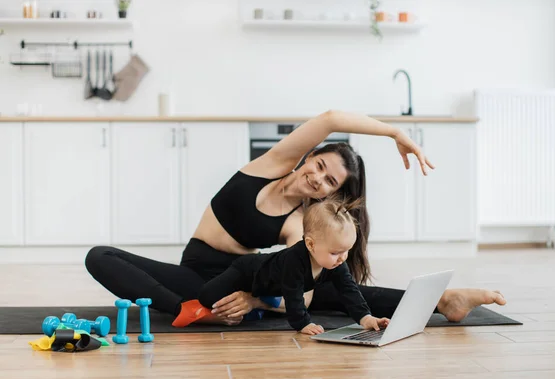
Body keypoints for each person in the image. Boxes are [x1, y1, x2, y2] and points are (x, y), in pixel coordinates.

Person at [85, 110, 506, 326]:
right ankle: (201, 310)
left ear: (332, 193)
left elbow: (301, 295)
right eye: (319, 166)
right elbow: (331, 119)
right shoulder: (271, 163)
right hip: (198, 273)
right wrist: (395, 133)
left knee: (334, 292)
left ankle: (444, 300)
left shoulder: (299, 223)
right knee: (100, 256)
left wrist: (252, 301)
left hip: (242, 277)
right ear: (309, 157)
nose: (317, 179)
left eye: (328, 182)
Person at [171, 196, 390, 335]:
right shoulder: (295, 260)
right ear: (311, 244)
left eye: (347, 250)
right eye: (336, 252)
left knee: (267, 298)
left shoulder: (336, 263)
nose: (343, 257)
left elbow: (348, 290)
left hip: (269, 286)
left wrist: (365, 317)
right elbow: (293, 294)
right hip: (247, 271)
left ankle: (255, 303)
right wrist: (303, 323)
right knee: (207, 296)